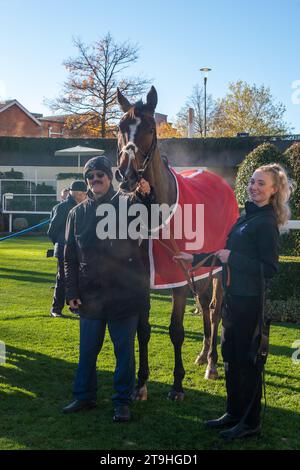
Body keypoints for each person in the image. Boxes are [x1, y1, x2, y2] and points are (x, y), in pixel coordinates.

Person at [174, 163, 293, 440]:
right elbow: (224, 253)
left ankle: (250, 422)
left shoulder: (265, 223)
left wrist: (233, 259)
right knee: (230, 357)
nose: (254, 187)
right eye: (252, 181)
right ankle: (234, 412)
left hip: (250, 303)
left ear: (274, 191)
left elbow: (270, 268)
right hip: (233, 299)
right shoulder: (246, 218)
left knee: (247, 362)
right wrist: (195, 258)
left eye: (261, 184)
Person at [62, 156, 153, 422]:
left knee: (123, 352)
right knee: (87, 351)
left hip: (125, 295)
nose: (95, 180)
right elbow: (68, 258)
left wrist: (147, 195)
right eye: (90, 176)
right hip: (90, 296)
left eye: (100, 175)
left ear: (109, 177)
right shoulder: (75, 213)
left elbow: (148, 212)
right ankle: (84, 396)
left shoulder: (126, 202)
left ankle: (122, 402)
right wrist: (70, 292)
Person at [48, 180, 87, 317]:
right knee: (63, 278)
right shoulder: (62, 207)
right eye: (80, 192)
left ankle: (75, 306)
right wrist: (60, 244)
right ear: (74, 192)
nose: (82, 195)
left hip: (79, 249)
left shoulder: (85, 207)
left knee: (78, 278)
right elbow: (52, 230)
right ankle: (56, 309)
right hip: (64, 248)